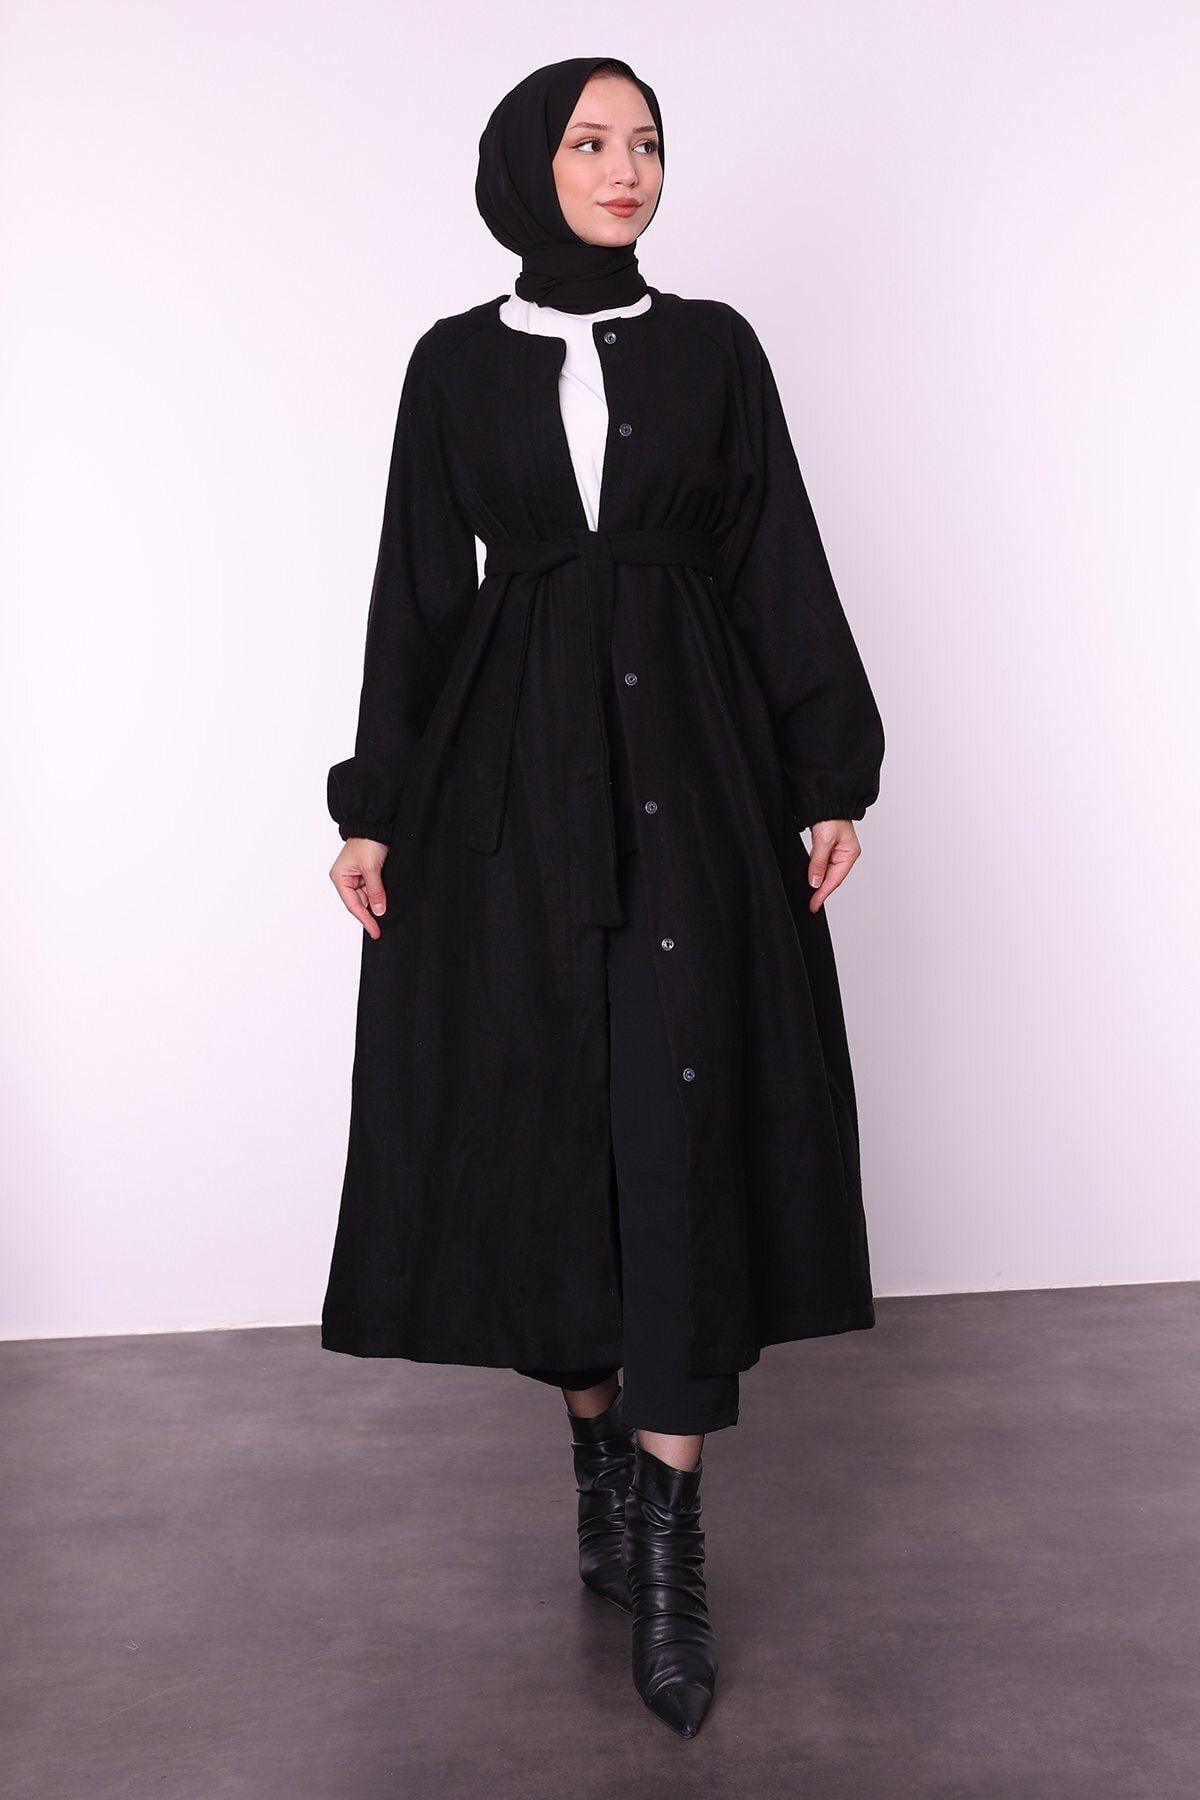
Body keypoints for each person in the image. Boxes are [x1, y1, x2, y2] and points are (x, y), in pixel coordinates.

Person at [323, 56, 885, 1741]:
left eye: (645, 142)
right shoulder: (452, 363)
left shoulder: (715, 351)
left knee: (680, 1121)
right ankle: (598, 1462)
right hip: (508, 795)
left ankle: (669, 1547)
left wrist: (827, 772)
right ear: (529, 165)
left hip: (696, 777)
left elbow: (778, 555)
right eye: (590, 141)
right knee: (550, 1130)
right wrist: (374, 810)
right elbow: (417, 593)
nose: (625, 167)